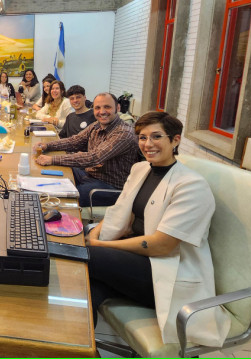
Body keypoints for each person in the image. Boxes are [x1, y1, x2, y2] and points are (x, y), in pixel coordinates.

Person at [86, 111, 230, 347]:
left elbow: (162, 245)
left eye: (156, 137)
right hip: (138, 259)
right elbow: (121, 209)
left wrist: (101, 244)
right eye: (142, 137)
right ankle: (82, 348)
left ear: (175, 140)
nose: (148, 144)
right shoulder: (141, 169)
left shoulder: (191, 186)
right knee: (86, 288)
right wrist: (96, 232)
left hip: (167, 272)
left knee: (88, 257)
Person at [33, 92, 139, 207]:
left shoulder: (123, 133)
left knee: (62, 197)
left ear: (117, 107)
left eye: (107, 107)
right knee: (51, 178)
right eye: (97, 108)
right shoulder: (96, 125)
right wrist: (48, 146)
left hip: (109, 187)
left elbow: (94, 157)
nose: (102, 112)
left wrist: (52, 159)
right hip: (89, 175)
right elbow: (74, 141)